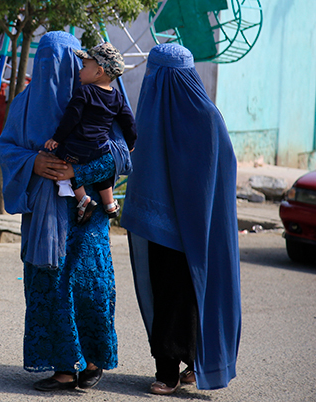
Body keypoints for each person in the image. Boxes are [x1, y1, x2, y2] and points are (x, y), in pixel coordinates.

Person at [0, 31, 132, 392]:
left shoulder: (96, 103)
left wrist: (77, 172)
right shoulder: (25, 103)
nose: (51, 72)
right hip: (43, 218)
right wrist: (33, 162)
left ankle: (91, 362)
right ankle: (62, 367)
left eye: (61, 63)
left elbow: (121, 154)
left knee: (88, 287)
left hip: (86, 220)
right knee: (49, 285)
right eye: (44, 63)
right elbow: (6, 147)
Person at [120, 43, 241, 395]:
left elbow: (220, 172)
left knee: (185, 296)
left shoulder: (206, 118)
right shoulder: (155, 115)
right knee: (169, 295)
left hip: (196, 230)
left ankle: (181, 369)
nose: (152, 82)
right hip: (161, 228)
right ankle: (171, 366)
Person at [43, 42, 136, 224]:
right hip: (101, 146)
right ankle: (109, 203)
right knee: (104, 175)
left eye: (84, 66)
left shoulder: (84, 92)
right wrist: (131, 144)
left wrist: (57, 139)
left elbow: (71, 118)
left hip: (78, 146)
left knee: (63, 159)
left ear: (98, 72)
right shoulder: (117, 96)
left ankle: (83, 199)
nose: (79, 70)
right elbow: (129, 122)